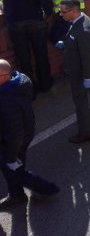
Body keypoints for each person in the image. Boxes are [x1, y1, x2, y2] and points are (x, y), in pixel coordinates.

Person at [0, 60, 60, 209]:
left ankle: (44, 189)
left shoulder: (6, 100)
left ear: (3, 77)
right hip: (24, 132)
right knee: (15, 165)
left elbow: (14, 132)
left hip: (14, 140)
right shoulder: (18, 83)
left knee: (12, 166)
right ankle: (17, 194)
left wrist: (11, 156)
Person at [0, 0, 53, 96]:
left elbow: (3, 0)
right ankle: (45, 84)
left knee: (23, 59)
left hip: (15, 23)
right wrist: (48, 14)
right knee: (41, 54)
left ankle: (30, 90)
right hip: (35, 20)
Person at [57, 0, 90, 144]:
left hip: (79, 69)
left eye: (63, 12)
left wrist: (86, 76)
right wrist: (65, 43)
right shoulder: (80, 19)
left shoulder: (83, 31)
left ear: (73, 11)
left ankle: (86, 132)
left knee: (80, 100)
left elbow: (86, 57)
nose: (61, 14)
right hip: (83, 66)